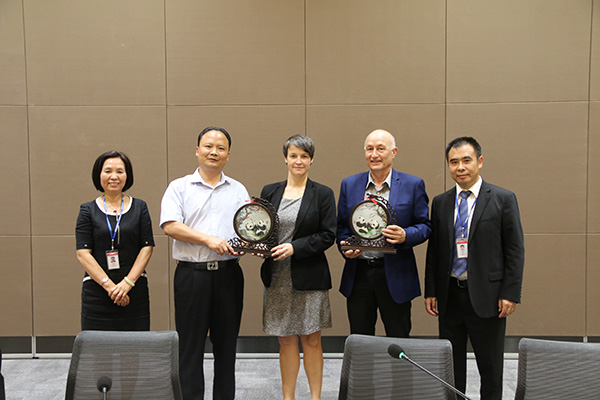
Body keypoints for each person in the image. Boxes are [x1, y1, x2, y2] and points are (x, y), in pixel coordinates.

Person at [424, 137, 524, 400]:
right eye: (453, 162)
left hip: (488, 297)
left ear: (479, 161)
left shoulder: (502, 199)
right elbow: (435, 250)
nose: (460, 167)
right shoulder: (441, 202)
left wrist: (510, 293)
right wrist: (431, 290)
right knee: (451, 367)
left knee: (490, 367)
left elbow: (514, 250)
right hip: (450, 295)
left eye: (466, 160)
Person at [160, 127, 250, 400]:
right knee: (190, 349)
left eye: (221, 148)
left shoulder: (238, 189)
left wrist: (252, 244)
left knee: (227, 349)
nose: (214, 152)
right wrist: (208, 240)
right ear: (197, 150)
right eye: (208, 146)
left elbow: (248, 227)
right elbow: (170, 225)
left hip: (228, 276)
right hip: (192, 276)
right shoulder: (179, 187)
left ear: (228, 155)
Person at [256, 135, 336, 400]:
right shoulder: (270, 191)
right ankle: (287, 397)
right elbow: (262, 228)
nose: (298, 161)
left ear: (311, 160)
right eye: (293, 155)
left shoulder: (323, 193)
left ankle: (315, 397)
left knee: (311, 340)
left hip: (309, 277)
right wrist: (258, 246)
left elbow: (328, 235)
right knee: (285, 339)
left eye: (304, 156)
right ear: (285, 158)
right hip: (277, 277)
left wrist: (294, 247)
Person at [337, 129, 431, 337]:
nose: (374, 155)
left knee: (399, 338)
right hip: (359, 274)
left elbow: (425, 226)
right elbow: (342, 226)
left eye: (380, 149)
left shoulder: (412, 185)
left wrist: (405, 235)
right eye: (369, 149)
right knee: (360, 340)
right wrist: (345, 246)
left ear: (394, 152)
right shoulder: (349, 185)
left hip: (397, 274)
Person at [75, 151, 154, 331]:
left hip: (134, 290)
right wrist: (111, 287)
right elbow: (83, 253)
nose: (114, 177)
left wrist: (127, 284)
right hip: (97, 292)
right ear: (99, 175)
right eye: (108, 171)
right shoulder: (87, 210)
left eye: (120, 171)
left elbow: (147, 247)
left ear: (127, 175)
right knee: (98, 346)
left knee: (135, 344)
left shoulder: (140, 207)